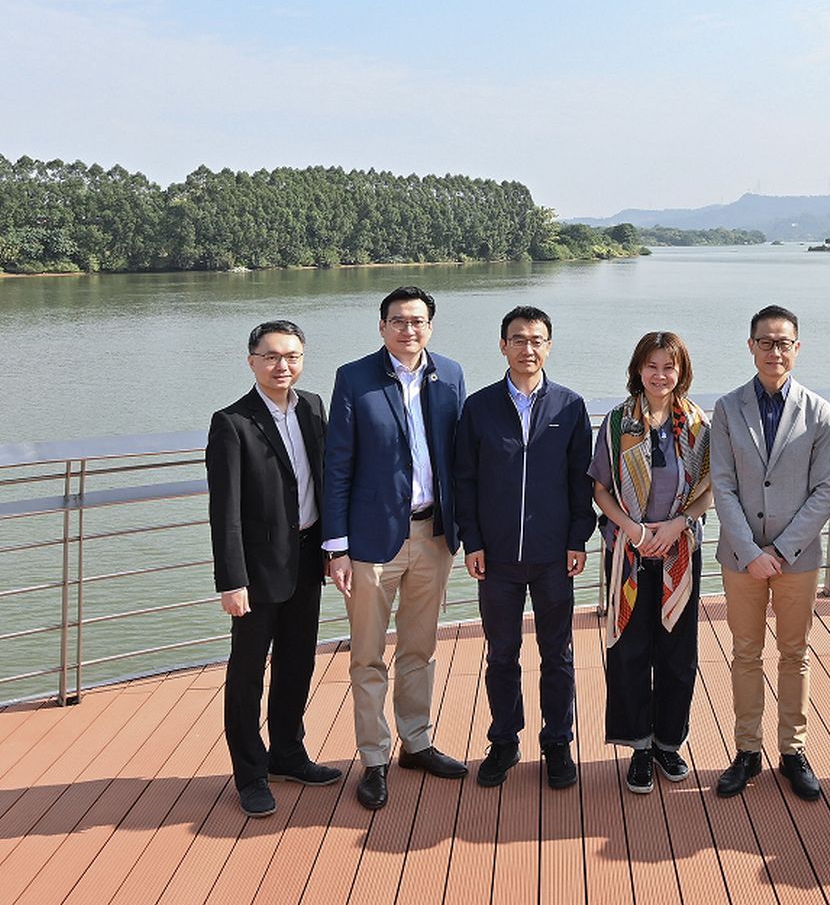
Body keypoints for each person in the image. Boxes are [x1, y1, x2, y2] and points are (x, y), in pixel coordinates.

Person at [323, 285, 469, 811]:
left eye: (418, 321)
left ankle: (417, 742)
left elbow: (461, 459)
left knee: (420, 647)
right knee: (367, 654)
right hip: (369, 543)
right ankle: (374, 756)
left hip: (433, 536)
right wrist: (336, 546)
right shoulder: (355, 378)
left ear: (430, 326)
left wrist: (465, 532)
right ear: (381, 326)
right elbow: (337, 464)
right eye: (398, 321)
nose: (409, 330)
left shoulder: (449, 374)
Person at [454, 306, 593, 790]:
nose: (527, 348)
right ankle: (505, 740)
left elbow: (583, 481)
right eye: (518, 339)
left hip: (555, 556)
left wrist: (578, 537)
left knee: (557, 654)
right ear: (503, 346)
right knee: (502, 654)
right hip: (496, 558)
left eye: (536, 340)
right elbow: (465, 480)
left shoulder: (570, 407)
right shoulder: (479, 407)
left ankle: (557, 741)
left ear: (548, 346)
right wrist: (472, 541)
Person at [206, 320, 339, 817]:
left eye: (292, 356)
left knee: (299, 661)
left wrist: (333, 547)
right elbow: (226, 512)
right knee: (246, 675)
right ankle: (250, 773)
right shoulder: (232, 422)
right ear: (252, 361)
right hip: (257, 572)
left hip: (307, 558)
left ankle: (288, 753)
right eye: (271, 357)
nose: (283, 365)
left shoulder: (313, 408)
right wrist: (231, 580)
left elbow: (323, 480)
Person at [708, 305, 830, 801]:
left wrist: (780, 551)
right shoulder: (727, 407)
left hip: (797, 559)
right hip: (741, 558)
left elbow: (825, 490)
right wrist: (751, 550)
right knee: (745, 653)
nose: (775, 351)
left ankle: (793, 750)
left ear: (797, 348)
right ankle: (746, 751)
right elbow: (722, 485)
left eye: (784, 342)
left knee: (794, 654)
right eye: (766, 342)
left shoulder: (818, 410)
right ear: (751, 346)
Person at [590, 332, 712, 795]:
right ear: (637, 369)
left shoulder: (698, 424)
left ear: (682, 372)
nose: (660, 376)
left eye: (670, 367)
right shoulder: (619, 422)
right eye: (652, 366)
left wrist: (678, 524)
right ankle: (639, 747)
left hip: (679, 549)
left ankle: (668, 742)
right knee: (630, 649)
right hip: (629, 550)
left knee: (678, 654)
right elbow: (600, 487)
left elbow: (710, 489)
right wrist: (636, 530)